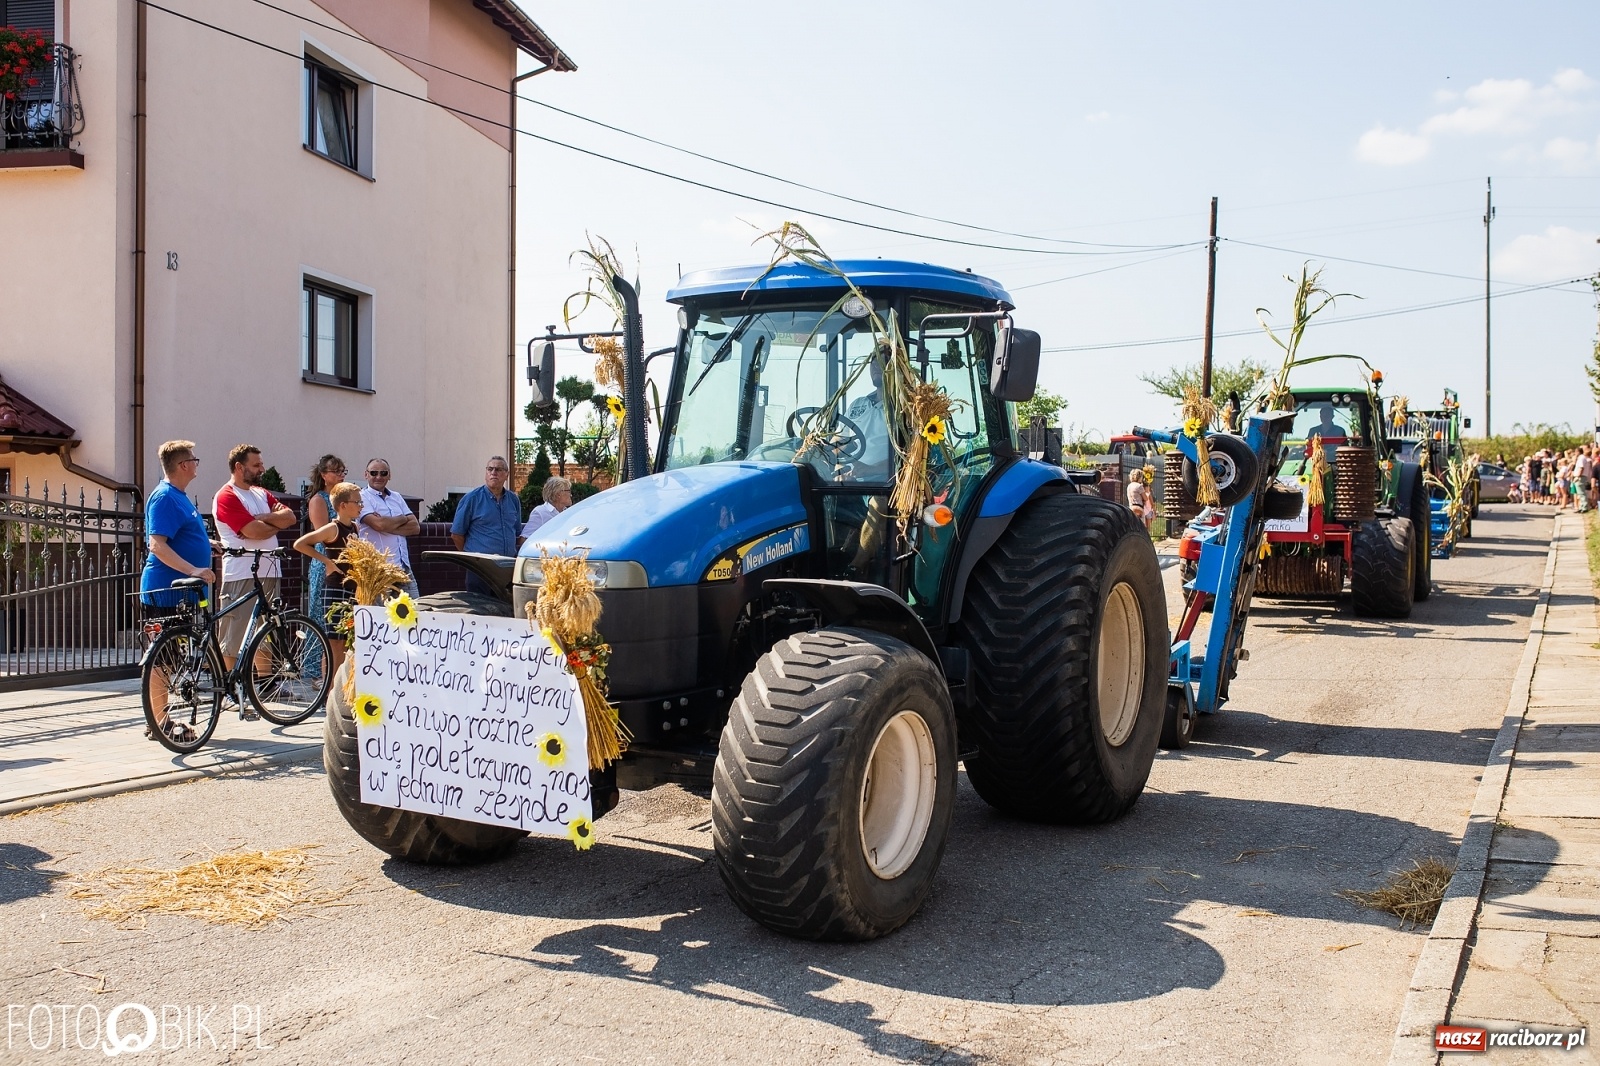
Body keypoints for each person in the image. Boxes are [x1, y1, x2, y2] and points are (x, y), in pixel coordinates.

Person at [213, 443, 299, 717]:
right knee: (234, 632)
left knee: (268, 629)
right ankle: (228, 690)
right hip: (241, 571)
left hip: (269, 569)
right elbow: (254, 531)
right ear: (239, 467)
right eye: (256, 465)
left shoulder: (261, 493)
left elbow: (291, 518)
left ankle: (265, 683)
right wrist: (271, 522)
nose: (262, 469)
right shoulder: (226, 496)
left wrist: (267, 519)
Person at [139, 440, 216, 742]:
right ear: (184, 465)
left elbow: (180, 537)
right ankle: (158, 723)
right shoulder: (165, 498)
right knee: (161, 659)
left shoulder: (179, 497)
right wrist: (194, 569)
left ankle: (158, 720)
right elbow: (157, 544)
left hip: (180, 592)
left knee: (170, 658)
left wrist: (207, 547)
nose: (197, 464)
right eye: (194, 460)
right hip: (164, 590)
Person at [292, 481, 363, 677]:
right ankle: (329, 690)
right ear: (343, 505)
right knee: (334, 643)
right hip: (335, 588)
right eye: (357, 502)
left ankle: (339, 689)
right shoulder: (333, 528)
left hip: (351, 588)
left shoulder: (355, 528)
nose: (360, 506)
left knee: (347, 641)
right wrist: (327, 562)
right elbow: (300, 544)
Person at [452, 456, 524, 596]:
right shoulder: (472, 499)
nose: (493, 473)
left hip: (506, 568)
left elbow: (516, 533)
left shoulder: (513, 500)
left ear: (506, 474)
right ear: (486, 473)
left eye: (498, 469)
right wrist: (472, 557)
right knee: (481, 611)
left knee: (504, 612)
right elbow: (456, 534)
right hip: (480, 569)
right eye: (490, 469)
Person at [358, 458, 421, 599]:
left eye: (383, 473)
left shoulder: (396, 497)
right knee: (382, 617)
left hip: (403, 567)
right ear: (366, 474)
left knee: (415, 612)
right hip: (378, 570)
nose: (378, 477)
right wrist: (403, 519)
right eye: (374, 473)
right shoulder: (362, 497)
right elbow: (378, 525)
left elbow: (415, 527)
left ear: (389, 475)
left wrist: (386, 524)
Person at [302, 454, 347, 634]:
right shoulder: (318, 499)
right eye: (335, 472)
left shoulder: (344, 499)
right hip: (324, 559)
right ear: (323, 475)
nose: (341, 475)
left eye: (342, 471)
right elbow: (322, 534)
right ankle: (316, 662)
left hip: (344, 559)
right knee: (321, 616)